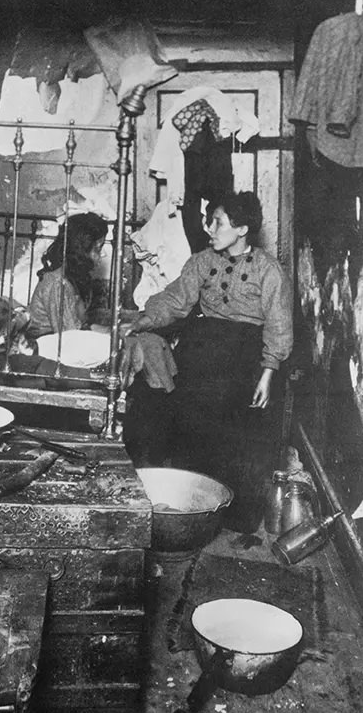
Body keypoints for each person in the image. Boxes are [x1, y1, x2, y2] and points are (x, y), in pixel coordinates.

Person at [123, 191, 293, 534]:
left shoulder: (269, 271)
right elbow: (175, 300)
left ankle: (233, 515)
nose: (210, 228)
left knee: (236, 434)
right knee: (188, 422)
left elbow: (278, 325)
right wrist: (142, 321)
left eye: (218, 222)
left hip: (244, 357)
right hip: (202, 350)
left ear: (242, 228)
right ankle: (192, 506)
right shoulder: (202, 261)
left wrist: (268, 372)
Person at [28, 212, 109, 338]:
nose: (103, 254)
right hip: (42, 349)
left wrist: (113, 331)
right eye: (98, 248)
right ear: (82, 250)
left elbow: (81, 326)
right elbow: (71, 337)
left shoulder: (72, 279)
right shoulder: (58, 283)